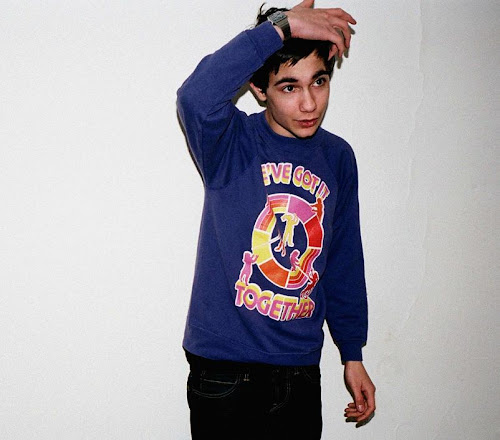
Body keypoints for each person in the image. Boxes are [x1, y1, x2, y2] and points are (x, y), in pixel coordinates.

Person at [176, 1, 376, 438]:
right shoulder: (231, 143)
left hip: (299, 370)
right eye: (289, 87)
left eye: (319, 81)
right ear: (258, 87)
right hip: (224, 374)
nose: (309, 102)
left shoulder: (337, 157)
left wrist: (352, 353)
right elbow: (195, 97)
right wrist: (281, 28)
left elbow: (343, 259)